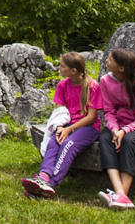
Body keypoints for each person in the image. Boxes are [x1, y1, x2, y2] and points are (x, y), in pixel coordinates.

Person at [21, 52, 102, 199]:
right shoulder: (63, 85)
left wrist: (69, 129)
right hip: (66, 124)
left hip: (87, 128)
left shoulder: (92, 86)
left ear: (73, 71)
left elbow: (91, 117)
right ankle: (43, 176)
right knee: (54, 142)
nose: (59, 68)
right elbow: (60, 110)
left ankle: (50, 184)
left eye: (62, 66)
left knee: (68, 145)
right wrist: (59, 128)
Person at [97, 48, 135, 211]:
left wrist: (125, 131)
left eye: (110, 59)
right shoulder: (105, 81)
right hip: (117, 126)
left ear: (121, 68)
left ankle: (121, 195)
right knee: (104, 139)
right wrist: (116, 130)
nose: (107, 61)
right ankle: (120, 193)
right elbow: (108, 111)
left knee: (130, 141)